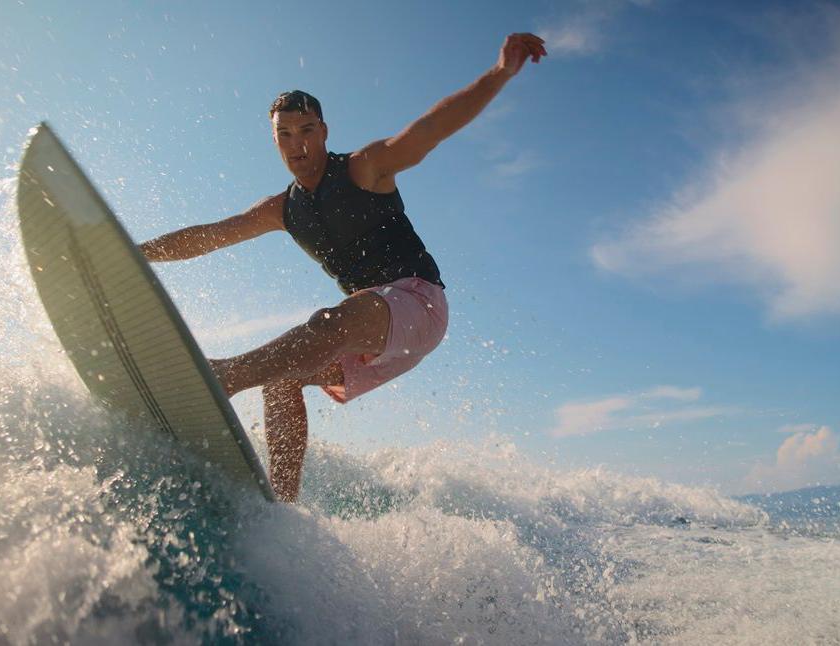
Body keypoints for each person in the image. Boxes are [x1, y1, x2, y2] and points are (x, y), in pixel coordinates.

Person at [140, 33, 547, 502]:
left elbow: (431, 129)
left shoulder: (365, 168)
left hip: (418, 305)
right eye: (285, 135)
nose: (298, 144)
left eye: (307, 130)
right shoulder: (282, 209)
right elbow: (208, 235)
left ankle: (224, 376)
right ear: (274, 141)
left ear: (324, 131)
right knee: (284, 374)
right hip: (368, 331)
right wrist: (138, 253)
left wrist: (499, 74)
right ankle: (281, 508)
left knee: (330, 321)